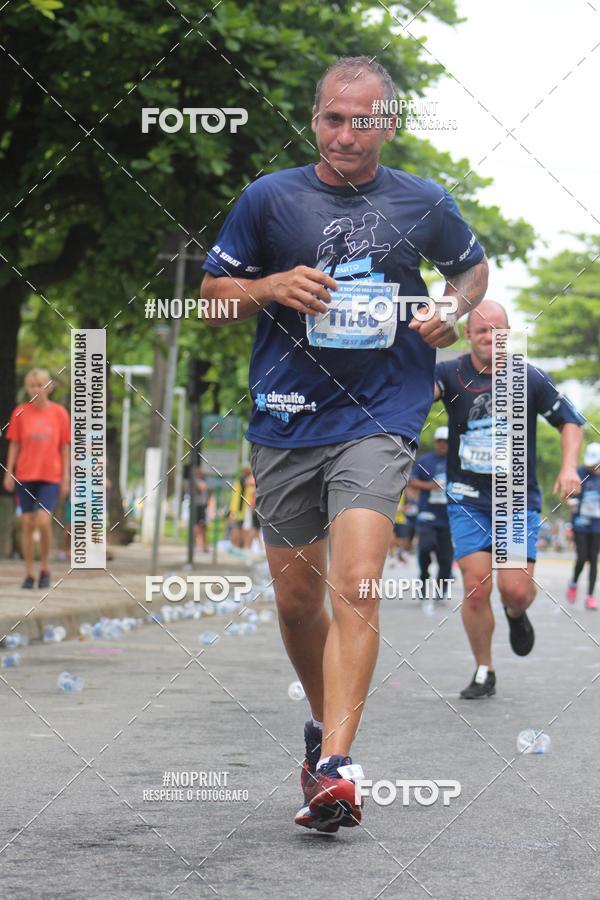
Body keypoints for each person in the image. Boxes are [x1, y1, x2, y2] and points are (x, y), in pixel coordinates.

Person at [201, 56, 488, 832]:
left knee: (357, 581)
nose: (347, 135)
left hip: (382, 412)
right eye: (333, 118)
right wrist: (266, 287)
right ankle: (321, 730)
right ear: (316, 119)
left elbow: (471, 272)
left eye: (364, 121)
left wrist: (451, 312)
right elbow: (212, 297)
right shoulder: (269, 198)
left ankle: (337, 765)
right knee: (298, 601)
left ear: (389, 124)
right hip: (287, 415)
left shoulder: (422, 201)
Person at [434, 300, 584, 699]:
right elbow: (412, 399)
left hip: (514, 501)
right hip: (467, 499)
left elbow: (570, 421)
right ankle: (484, 669)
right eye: (482, 330)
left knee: (514, 591)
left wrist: (569, 467)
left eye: (497, 329)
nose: (490, 337)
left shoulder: (529, 378)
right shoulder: (449, 374)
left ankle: (517, 615)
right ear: (468, 335)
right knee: (476, 587)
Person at [3, 368, 70, 589]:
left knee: (42, 520)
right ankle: (30, 573)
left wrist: (65, 477)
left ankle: (45, 567)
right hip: (25, 475)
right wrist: (9, 472)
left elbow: (64, 447)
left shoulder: (59, 413)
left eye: (39, 385)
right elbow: (14, 444)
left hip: (50, 475)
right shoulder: (20, 412)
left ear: (48, 387)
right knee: (26, 524)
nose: (35, 389)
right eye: (31, 385)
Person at [408, 425, 453, 602]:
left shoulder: (457, 462)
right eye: (440, 441)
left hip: (449, 516)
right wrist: (430, 486)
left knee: (445, 556)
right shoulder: (425, 461)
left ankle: (442, 588)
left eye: (447, 442)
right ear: (436, 442)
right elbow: (411, 481)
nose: (443, 445)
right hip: (427, 514)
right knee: (425, 548)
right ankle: (423, 579)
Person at [566, 442, 600, 609]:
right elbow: (567, 494)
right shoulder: (579, 472)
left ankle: (590, 596)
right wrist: (570, 501)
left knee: (594, 560)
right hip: (580, 523)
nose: (591, 467)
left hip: (597, 525)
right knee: (581, 557)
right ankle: (573, 583)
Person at [194, 467, 209, 552]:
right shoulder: (195, 479)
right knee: (197, 526)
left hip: (203, 505)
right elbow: (201, 488)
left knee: (204, 526)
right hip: (197, 505)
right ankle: (199, 544)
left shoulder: (204, 479)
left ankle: (204, 545)